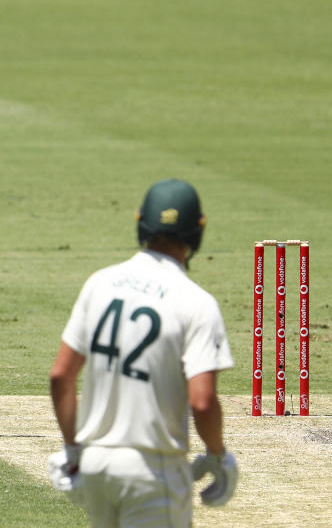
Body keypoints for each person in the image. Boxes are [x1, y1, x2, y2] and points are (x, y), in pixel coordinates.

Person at [47, 179, 238, 527]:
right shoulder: (197, 302)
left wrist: (73, 449)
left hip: (97, 467)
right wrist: (217, 455)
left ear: (141, 223)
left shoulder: (100, 283)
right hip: (153, 471)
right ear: (197, 231)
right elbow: (203, 401)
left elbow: (61, 375)